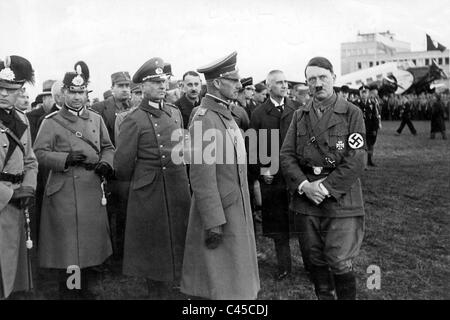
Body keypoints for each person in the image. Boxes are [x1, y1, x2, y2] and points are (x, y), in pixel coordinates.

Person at [280, 57, 366, 300]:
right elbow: (286, 156)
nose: (317, 84)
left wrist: (325, 188)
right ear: (307, 83)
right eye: (312, 79)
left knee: (339, 261)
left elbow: (356, 159)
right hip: (307, 201)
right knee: (315, 260)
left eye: (322, 78)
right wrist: (305, 185)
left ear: (334, 78)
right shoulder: (299, 116)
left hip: (340, 200)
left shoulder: (352, 113)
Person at [181, 51, 260, 300]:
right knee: (220, 284)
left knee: (234, 281)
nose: (239, 85)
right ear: (217, 83)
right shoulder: (205, 119)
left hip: (235, 208)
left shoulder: (225, 114)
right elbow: (202, 178)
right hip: (220, 214)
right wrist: (213, 223)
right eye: (234, 80)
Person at [33, 61, 114, 299]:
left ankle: (84, 287)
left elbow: (108, 147)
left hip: (91, 190)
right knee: (70, 247)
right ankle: (71, 290)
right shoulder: (51, 122)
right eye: (73, 92)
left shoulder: (96, 119)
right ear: (64, 93)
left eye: (82, 92)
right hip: (64, 192)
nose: (78, 97)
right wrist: (65, 158)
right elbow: (38, 153)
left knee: (88, 244)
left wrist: (106, 163)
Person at [114, 57, 190, 299]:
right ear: (143, 87)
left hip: (177, 184)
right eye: (156, 82)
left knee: (178, 235)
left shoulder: (174, 113)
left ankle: (177, 280)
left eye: (164, 81)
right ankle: (156, 288)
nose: (162, 86)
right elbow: (122, 166)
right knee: (154, 243)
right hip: (150, 190)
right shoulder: (133, 120)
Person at [250, 69, 305, 280]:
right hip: (272, 178)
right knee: (278, 225)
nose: (284, 86)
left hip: (295, 176)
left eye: (286, 82)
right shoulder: (259, 113)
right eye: (279, 82)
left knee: (303, 222)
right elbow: (252, 147)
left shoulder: (297, 109)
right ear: (269, 85)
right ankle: (284, 266)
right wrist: (262, 170)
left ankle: (311, 265)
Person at [0, 55, 38, 299]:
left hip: (17, 201)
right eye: (0, 88)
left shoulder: (22, 119)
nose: (3, 94)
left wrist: (28, 188)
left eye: (10, 90)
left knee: (12, 262)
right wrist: (10, 194)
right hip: (3, 199)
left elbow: (30, 160)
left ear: (20, 91)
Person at [354, 85, 381, 167]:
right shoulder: (355, 103)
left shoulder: (372, 104)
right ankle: (361, 162)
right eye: (362, 92)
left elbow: (375, 117)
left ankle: (369, 160)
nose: (363, 94)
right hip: (359, 128)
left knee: (370, 145)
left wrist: (375, 129)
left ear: (368, 93)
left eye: (365, 92)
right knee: (359, 146)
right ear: (359, 93)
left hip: (370, 128)